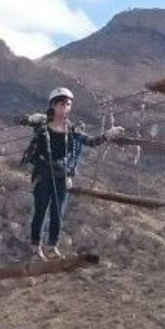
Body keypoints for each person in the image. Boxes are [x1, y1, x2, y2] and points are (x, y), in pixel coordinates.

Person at [19, 87, 123, 259]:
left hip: (61, 174)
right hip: (43, 173)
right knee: (41, 210)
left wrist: (107, 135)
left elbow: (90, 141)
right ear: (53, 105)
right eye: (61, 104)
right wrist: (30, 118)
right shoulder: (42, 125)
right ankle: (35, 247)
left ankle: (52, 247)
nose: (64, 108)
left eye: (67, 104)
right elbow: (19, 120)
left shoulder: (71, 129)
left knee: (57, 212)